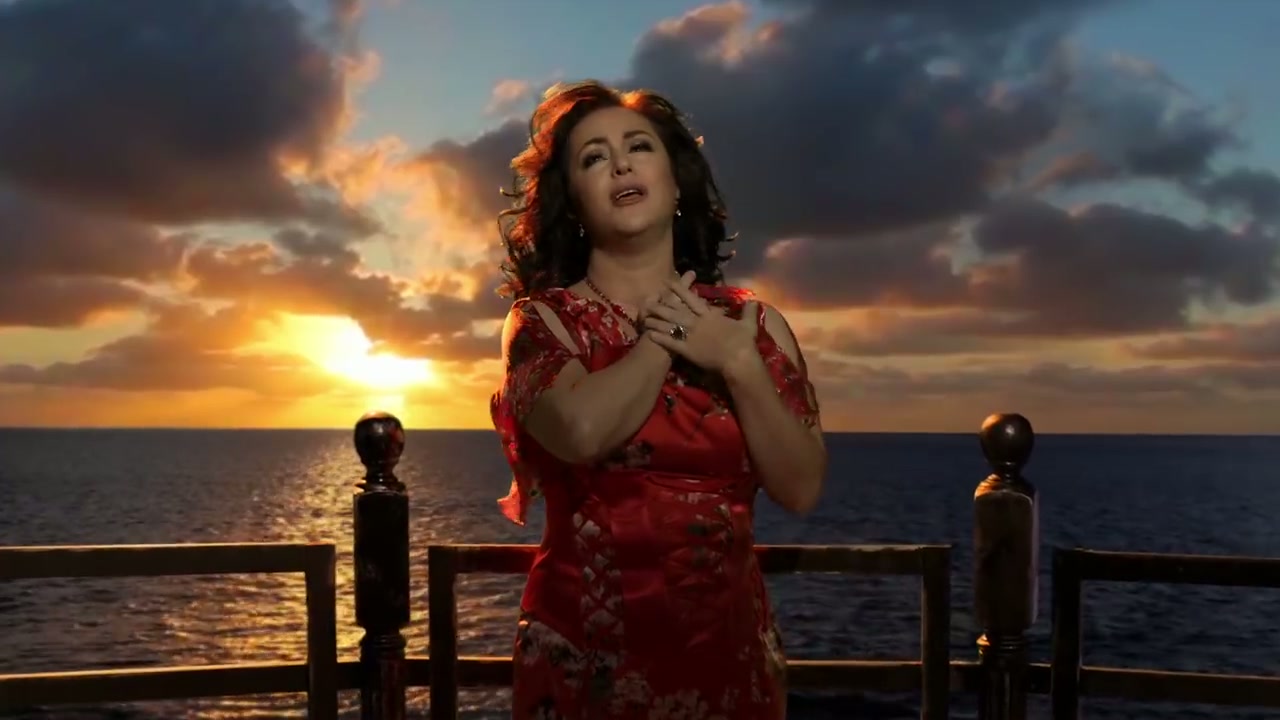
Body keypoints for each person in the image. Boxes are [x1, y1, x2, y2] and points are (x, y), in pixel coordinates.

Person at [489, 79, 827, 720]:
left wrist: (738, 363)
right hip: (586, 669)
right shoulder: (542, 322)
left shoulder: (752, 326)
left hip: (732, 669)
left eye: (639, 147)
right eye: (593, 157)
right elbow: (581, 431)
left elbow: (802, 486)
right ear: (574, 203)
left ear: (675, 186)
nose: (620, 164)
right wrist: (664, 337)